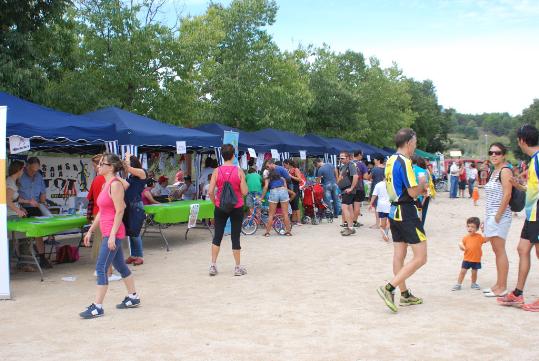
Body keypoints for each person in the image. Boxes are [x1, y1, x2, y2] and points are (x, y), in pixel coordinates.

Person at [80, 153, 140, 319]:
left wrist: (113, 235)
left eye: (102, 164)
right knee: (120, 266)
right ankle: (133, 297)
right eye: (99, 163)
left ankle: (97, 307)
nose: (98, 166)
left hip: (113, 232)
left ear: (111, 167)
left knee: (101, 268)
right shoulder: (105, 185)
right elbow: (101, 211)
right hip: (108, 231)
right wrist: (91, 230)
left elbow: (120, 210)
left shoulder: (115, 185)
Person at [377, 128, 428, 313]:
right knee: (421, 257)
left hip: (393, 210)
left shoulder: (389, 160)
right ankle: (389, 288)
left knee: (399, 254)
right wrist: (423, 183)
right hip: (406, 211)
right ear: (408, 143)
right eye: (415, 142)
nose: (415, 146)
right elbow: (413, 191)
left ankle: (405, 294)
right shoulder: (405, 161)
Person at [498, 125, 539, 310]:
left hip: (537, 214)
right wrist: (520, 186)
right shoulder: (533, 160)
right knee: (523, 249)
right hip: (531, 214)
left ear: (522, 140)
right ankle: (518, 294)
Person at [207, 144, 248, 277]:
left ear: (222, 156)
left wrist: (215, 203)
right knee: (235, 237)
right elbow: (245, 192)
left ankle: (213, 265)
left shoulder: (216, 171)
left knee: (217, 236)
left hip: (220, 207)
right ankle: (237, 267)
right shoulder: (239, 171)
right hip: (237, 207)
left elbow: (210, 191)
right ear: (234, 155)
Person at [482, 142, 512, 298]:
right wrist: (486, 218)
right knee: (496, 251)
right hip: (492, 215)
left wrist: (497, 216)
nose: (493, 155)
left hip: (500, 216)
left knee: (500, 251)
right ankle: (498, 285)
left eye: (497, 152)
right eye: (491, 152)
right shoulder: (495, 171)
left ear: (504, 154)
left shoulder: (505, 171)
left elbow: (507, 194)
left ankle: (502, 287)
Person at [87, 154, 118, 281]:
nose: (97, 168)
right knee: (104, 242)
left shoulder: (103, 180)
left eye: (99, 165)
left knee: (103, 242)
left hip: (100, 213)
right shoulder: (103, 180)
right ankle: (106, 271)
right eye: (97, 165)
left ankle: (106, 270)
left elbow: (90, 197)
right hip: (103, 214)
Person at [18, 156, 52, 269]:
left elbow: (42, 192)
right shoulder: (20, 176)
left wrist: (43, 202)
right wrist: (26, 202)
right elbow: (13, 196)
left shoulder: (39, 176)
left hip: (36, 208)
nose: (34, 172)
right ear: (27, 166)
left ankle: (42, 258)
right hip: (22, 208)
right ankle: (24, 261)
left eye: (36, 170)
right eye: (32, 170)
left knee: (39, 233)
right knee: (24, 235)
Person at [120, 153, 147, 267]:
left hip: (136, 206)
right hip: (129, 205)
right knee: (130, 232)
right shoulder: (131, 177)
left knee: (135, 232)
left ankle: (140, 256)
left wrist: (126, 157)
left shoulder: (142, 172)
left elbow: (128, 168)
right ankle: (134, 255)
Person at [451, 217, 488, 291]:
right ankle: (458, 284)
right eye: (468, 226)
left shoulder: (479, 237)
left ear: (477, 229)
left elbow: (487, 239)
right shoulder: (466, 238)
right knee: (462, 272)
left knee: (474, 272)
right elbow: (461, 245)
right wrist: (461, 247)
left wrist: (484, 230)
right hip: (467, 259)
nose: (470, 228)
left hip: (476, 259)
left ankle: (473, 283)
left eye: (472, 227)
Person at [261, 159, 293, 236]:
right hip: (283, 190)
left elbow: (265, 187)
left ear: (271, 163)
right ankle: (288, 231)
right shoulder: (282, 169)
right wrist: (283, 180)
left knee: (271, 214)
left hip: (274, 191)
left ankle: (267, 232)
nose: (267, 168)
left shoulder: (266, 172)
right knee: (285, 213)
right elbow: (288, 178)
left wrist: (261, 197)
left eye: (267, 166)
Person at [337, 151, 359, 236]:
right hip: (344, 190)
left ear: (348, 157)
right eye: (340, 158)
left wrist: (351, 188)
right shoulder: (343, 167)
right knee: (349, 208)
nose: (340, 159)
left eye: (342, 158)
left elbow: (356, 176)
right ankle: (350, 227)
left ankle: (350, 228)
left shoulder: (351, 165)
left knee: (344, 208)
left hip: (348, 190)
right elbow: (340, 178)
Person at [412, 156, 433, 228]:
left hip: (411, 195)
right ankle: (420, 228)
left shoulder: (409, 170)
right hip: (422, 195)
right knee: (422, 213)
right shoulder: (423, 171)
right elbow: (425, 185)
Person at [352, 150, 370, 228]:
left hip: (348, 188)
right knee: (357, 206)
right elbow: (366, 177)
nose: (362, 156)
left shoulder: (349, 163)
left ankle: (347, 222)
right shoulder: (361, 164)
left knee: (348, 206)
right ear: (359, 155)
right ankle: (354, 222)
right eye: (362, 155)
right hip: (358, 187)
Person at [369, 154, 386, 229]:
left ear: (378, 160)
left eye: (375, 159)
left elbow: (369, 177)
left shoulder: (375, 169)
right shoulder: (386, 169)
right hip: (385, 190)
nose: (374, 161)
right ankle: (384, 223)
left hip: (376, 189)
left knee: (376, 207)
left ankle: (377, 223)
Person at [283, 159, 303, 226]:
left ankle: (299, 221)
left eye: (285, 165)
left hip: (295, 188)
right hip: (290, 188)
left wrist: (291, 176)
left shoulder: (296, 169)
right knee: (292, 204)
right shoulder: (287, 170)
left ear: (288, 163)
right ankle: (293, 220)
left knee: (296, 204)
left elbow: (300, 179)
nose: (284, 166)